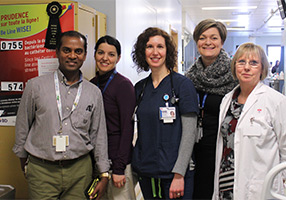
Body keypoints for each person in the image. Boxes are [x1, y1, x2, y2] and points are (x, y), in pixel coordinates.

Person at [13, 30, 110, 200]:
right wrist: (25, 162)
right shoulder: (35, 86)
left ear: (85, 55)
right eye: (67, 50)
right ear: (57, 52)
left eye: (78, 51)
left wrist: (103, 173)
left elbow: (98, 135)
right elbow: (23, 126)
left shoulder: (93, 92)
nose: (72, 56)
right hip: (42, 171)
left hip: (80, 171)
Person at [131, 27, 199, 199]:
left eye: (160, 47)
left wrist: (179, 174)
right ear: (143, 51)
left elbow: (190, 133)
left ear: (167, 51)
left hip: (175, 174)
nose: (155, 52)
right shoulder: (140, 88)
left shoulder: (182, 86)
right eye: (149, 47)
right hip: (147, 171)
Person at [212, 42, 286, 199]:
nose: (246, 68)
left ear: (262, 68)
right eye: (241, 62)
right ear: (235, 67)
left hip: (259, 186)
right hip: (226, 183)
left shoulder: (276, 101)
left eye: (253, 63)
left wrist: (282, 181)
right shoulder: (227, 100)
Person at [185, 19, 237, 199]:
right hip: (193, 149)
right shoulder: (189, 77)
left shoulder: (235, 76)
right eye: (202, 37)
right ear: (196, 41)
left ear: (222, 42)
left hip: (223, 151)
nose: (208, 42)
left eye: (213, 38)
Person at [90, 35, 136, 199]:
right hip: (96, 162)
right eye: (101, 52)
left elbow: (127, 128)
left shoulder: (123, 85)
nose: (105, 58)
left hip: (117, 160)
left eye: (111, 54)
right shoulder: (91, 84)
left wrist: (119, 168)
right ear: (94, 54)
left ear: (118, 58)